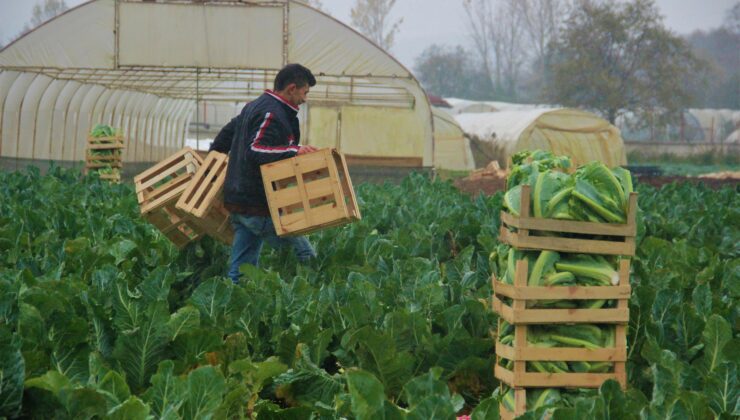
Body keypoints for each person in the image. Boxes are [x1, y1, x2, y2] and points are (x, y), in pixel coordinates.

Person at [210, 63, 318, 284]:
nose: (305, 99)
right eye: (304, 92)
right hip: (256, 204)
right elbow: (255, 149)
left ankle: (232, 304)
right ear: (291, 88)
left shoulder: (254, 106)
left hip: (238, 201)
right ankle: (311, 294)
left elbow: (226, 135)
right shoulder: (271, 112)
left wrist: (213, 160)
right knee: (307, 254)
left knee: (241, 269)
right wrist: (294, 151)